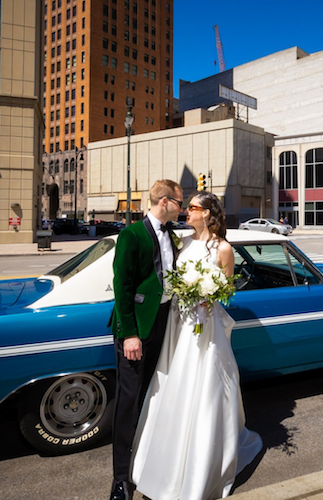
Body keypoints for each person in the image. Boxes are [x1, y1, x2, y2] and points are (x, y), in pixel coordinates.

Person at [131, 192, 263, 500]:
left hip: (204, 327)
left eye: (191, 207)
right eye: (186, 206)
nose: (185, 211)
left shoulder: (223, 248)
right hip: (178, 323)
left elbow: (228, 288)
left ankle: (201, 463)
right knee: (171, 382)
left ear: (207, 213)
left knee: (204, 387)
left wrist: (210, 294)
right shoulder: (182, 242)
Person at [109, 179, 184, 500]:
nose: (181, 208)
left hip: (164, 325)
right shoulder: (132, 234)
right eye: (180, 203)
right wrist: (129, 335)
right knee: (129, 400)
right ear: (165, 201)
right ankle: (121, 478)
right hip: (137, 331)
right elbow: (122, 288)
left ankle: (148, 461)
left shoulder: (173, 235)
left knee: (155, 395)